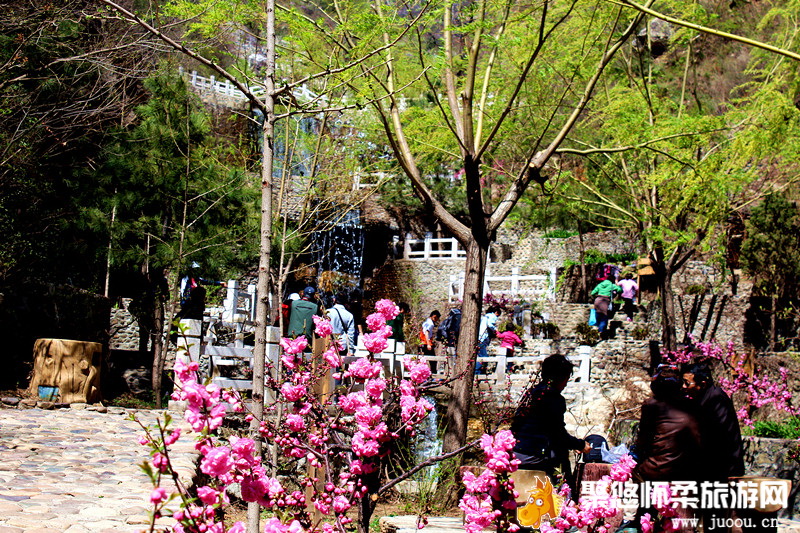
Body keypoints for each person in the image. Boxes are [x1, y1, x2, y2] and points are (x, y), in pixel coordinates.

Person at [632, 365, 703, 532]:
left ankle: (645, 519)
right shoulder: (692, 405)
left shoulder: (651, 405)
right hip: (686, 470)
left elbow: (644, 440)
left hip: (657, 469)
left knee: (639, 473)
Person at [682, 361, 744, 533]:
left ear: (702, 384)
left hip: (720, 469)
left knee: (716, 518)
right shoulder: (702, 398)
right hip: (709, 469)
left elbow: (718, 436)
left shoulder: (716, 397)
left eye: (687, 383)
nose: (684, 386)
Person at [511, 354, 591, 480]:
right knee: (561, 461)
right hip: (534, 453)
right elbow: (557, 434)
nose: (565, 384)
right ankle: (565, 494)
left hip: (517, 451)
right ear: (561, 378)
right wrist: (580, 445)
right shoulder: (553, 398)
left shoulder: (531, 393)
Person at [476, 306, 502, 372]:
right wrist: (496, 330)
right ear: (496, 312)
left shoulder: (485, 317)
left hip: (479, 338)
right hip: (482, 338)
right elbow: (490, 324)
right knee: (484, 357)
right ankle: (477, 372)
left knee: (480, 356)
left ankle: (478, 371)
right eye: (498, 315)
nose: (497, 317)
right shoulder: (492, 316)